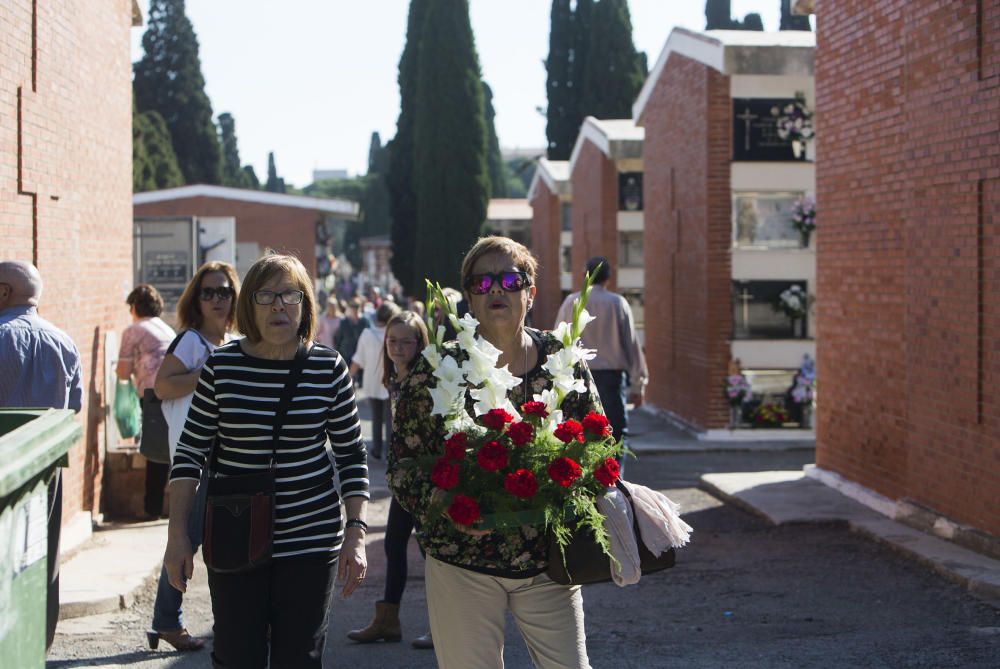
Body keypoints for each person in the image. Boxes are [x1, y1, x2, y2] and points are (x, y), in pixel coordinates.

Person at [387, 236, 603, 668]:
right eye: (481, 283)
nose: (496, 290)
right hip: (461, 559)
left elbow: (596, 444)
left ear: (531, 292)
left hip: (547, 560)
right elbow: (402, 464)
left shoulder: (563, 360)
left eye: (508, 279)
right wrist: (445, 504)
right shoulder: (436, 368)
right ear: (468, 297)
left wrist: (570, 489)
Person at [163, 253, 369, 668]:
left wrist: (357, 532)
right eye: (266, 295)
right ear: (248, 307)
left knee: (300, 657)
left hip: (311, 539)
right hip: (235, 531)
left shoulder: (328, 369)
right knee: (238, 655)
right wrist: (177, 536)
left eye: (290, 295)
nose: (279, 305)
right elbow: (189, 455)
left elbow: (350, 456)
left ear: (305, 305)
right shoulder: (221, 368)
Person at [145, 261, 240, 652]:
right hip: (194, 460)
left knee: (221, 540)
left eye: (224, 291)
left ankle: (226, 619)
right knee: (187, 538)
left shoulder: (232, 342)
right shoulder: (191, 342)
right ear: (196, 300)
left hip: (226, 457)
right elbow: (162, 385)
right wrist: (210, 373)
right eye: (208, 292)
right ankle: (168, 620)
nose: (217, 299)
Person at [0, 260, 83, 650]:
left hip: (5, 468)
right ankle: (37, 647)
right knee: (42, 561)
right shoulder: (63, 341)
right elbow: (75, 409)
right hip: (48, 469)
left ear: (4, 292)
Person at [348, 310, 433, 649]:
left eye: (406, 342)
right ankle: (388, 620)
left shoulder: (423, 380)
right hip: (404, 480)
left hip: (424, 481)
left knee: (431, 554)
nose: (397, 348)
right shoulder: (395, 378)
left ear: (419, 344)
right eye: (392, 341)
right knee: (394, 545)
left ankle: (445, 626)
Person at [556, 256, 648, 476]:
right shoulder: (618, 303)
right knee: (614, 435)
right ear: (609, 277)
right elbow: (631, 344)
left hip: (577, 377)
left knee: (578, 434)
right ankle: (614, 482)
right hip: (611, 378)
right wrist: (639, 384)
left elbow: (559, 340)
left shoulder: (571, 302)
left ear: (584, 275)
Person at [116, 284, 176, 518]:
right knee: (171, 448)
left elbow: (122, 371)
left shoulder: (134, 329)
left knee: (155, 452)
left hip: (153, 393)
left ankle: (152, 508)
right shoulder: (165, 328)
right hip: (173, 392)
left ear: (134, 306)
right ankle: (172, 506)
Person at [350, 301, 400, 459]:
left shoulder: (367, 334)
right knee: (390, 419)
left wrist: (348, 377)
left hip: (371, 383)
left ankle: (377, 450)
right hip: (390, 381)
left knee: (376, 418)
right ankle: (388, 452)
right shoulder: (395, 334)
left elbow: (358, 360)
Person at [335, 296, 370, 384]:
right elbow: (339, 338)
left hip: (361, 355)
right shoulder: (344, 322)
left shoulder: (365, 321)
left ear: (361, 307)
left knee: (361, 383)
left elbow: (369, 338)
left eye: (357, 306)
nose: (354, 309)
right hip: (346, 354)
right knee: (347, 380)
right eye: (352, 306)